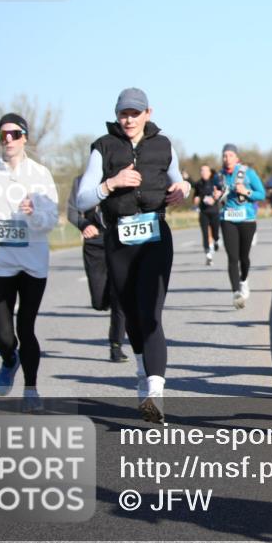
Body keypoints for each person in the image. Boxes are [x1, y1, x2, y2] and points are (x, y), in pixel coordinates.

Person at [75, 88, 190, 423]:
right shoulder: (103, 147)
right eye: (124, 113)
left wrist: (182, 190)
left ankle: (155, 394)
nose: (129, 119)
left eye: (135, 113)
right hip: (119, 238)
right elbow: (83, 199)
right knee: (131, 312)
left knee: (151, 312)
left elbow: (180, 180)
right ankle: (142, 371)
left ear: (148, 114)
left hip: (155, 233)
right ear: (116, 114)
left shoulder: (163, 144)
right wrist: (111, 183)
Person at [0, 114, 58, 410]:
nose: (8, 139)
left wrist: (34, 214)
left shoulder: (40, 174)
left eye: (14, 134)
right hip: (1, 261)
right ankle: (9, 359)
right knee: (3, 336)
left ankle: (31, 390)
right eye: (3, 135)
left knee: (26, 327)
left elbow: (50, 220)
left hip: (33, 263)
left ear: (25, 138)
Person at [67, 174, 128, 362]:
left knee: (120, 297)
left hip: (121, 240)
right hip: (95, 242)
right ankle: (105, 300)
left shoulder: (123, 176)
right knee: (99, 301)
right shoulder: (81, 181)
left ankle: (116, 345)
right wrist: (83, 224)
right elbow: (71, 212)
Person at [217, 144, 266, 309]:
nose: (227, 158)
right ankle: (236, 292)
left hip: (247, 220)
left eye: (230, 155)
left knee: (244, 258)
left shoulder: (248, 173)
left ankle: (244, 280)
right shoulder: (220, 176)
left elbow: (262, 194)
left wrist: (246, 191)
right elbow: (217, 196)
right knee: (232, 258)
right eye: (224, 155)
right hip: (227, 219)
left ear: (237, 158)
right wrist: (216, 196)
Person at [193, 164, 223, 266]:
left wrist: (214, 198)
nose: (203, 172)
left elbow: (221, 194)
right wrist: (196, 199)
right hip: (203, 213)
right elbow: (196, 196)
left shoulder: (215, 183)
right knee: (205, 234)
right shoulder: (198, 184)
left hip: (214, 212)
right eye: (202, 170)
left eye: (206, 171)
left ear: (210, 173)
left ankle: (217, 240)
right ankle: (208, 255)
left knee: (215, 233)